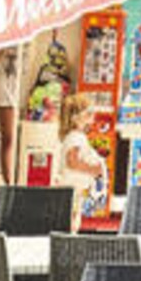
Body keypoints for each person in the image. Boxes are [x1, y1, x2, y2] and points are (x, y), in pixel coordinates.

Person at [56, 93, 108, 231]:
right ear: (78, 118)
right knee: (71, 221)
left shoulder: (73, 136)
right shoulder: (76, 137)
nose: (93, 118)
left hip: (73, 188)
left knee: (73, 218)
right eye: (89, 114)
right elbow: (72, 161)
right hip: (72, 188)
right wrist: (93, 169)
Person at [0, 46, 25, 187]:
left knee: (23, 138)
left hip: (25, 85)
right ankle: (10, 184)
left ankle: (22, 180)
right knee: (9, 138)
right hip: (6, 88)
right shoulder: (3, 27)